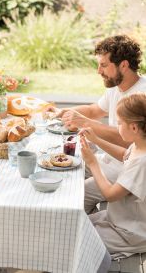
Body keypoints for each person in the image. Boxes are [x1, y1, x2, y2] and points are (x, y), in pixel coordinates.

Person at [47, 35, 146, 213]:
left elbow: (130, 142)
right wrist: (60, 112)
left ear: (123, 65)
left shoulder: (141, 96)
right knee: (62, 169)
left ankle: (88, 235)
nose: (98, 71)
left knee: (74, 195)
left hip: (128, 169)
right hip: (110, 159)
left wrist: (86, 123)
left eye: (104, 65)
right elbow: (94, 110)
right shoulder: (117, 87)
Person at [79, 92, 146, 259]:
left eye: (119, 123)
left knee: (78, 241)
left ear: (134, 128)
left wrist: (93, 162)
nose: (117, 127)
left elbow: (110, 195)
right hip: (118, 218)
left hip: (130, 232)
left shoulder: (142, 163)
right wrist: (96, 139)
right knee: (75, 227)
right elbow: (125, 154)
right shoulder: (140, 145)